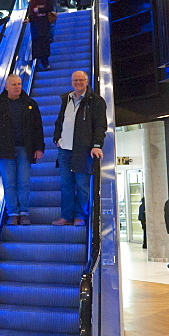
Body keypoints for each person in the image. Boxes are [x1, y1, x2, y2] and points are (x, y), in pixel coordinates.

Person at [0, 74, 45, 225]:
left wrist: (39, 147)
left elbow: (38, 127)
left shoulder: (31, 103)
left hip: (26, 147)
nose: (17, 87)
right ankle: (12, 213)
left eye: (19, 84)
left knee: (23, 182)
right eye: (14, 84)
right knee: (9, 182)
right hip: (5, 148)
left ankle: (23, 212)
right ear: (6, 86)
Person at [52, 70, 107, 226]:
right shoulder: (66, 99)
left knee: (82, 185)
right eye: (75, 80)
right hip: (64, 149)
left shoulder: (96, 101)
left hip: (83, 150)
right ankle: (66, 216)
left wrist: (97, 145)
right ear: (72, 82)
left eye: (81, 80)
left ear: (87, 81)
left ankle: (80, 216)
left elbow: (100, 125)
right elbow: (59, 121)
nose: (78, 83)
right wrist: (57, 138)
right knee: (66, 184)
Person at [26, 0, 55, 70]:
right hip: (35, 24)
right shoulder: (32, 0)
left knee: (43, 43)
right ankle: (39, 63)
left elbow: (49, 7)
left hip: (43, 24)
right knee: (37, 43)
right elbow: (32, 13)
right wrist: (29, 19)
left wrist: (39, 9)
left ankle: (45, 63)